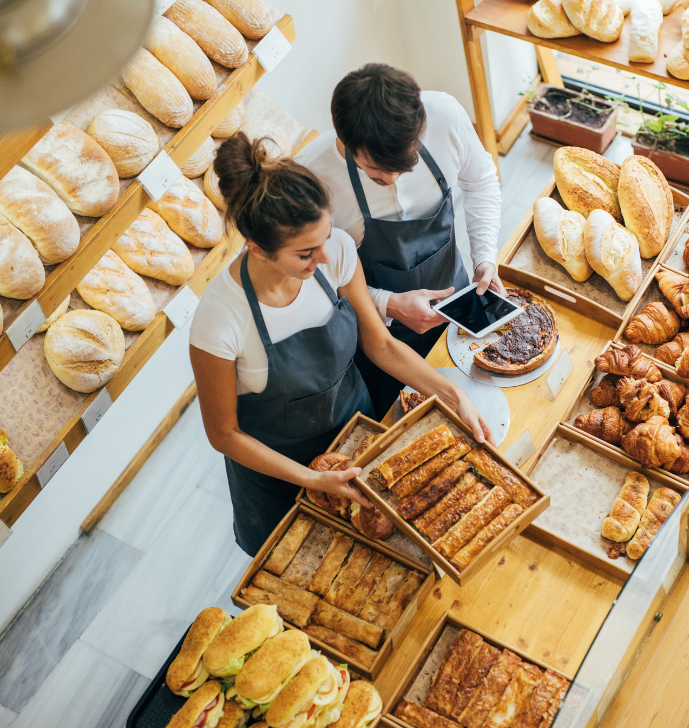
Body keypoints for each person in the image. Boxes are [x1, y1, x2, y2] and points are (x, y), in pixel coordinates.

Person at [189, 133, 492, 556]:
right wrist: (312, 479)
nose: (325, 259)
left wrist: (453, 395)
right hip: (280, 478)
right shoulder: (220, 320)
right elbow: (224, 434)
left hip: (357, 439)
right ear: (256, 248)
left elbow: (381, 346)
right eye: (305, 253)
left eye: (326, 237)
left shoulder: (337, 252)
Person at [296, 63, 503, 415]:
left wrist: (484, 255)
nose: (392, 179)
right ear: (345, 141)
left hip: (457, 305)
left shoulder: (445, 116)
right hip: (379, 337)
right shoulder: (312, 180)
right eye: (376, 171)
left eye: (403, 167)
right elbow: (314, 283)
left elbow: (480, 180)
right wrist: (388, 304)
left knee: (480, 398)